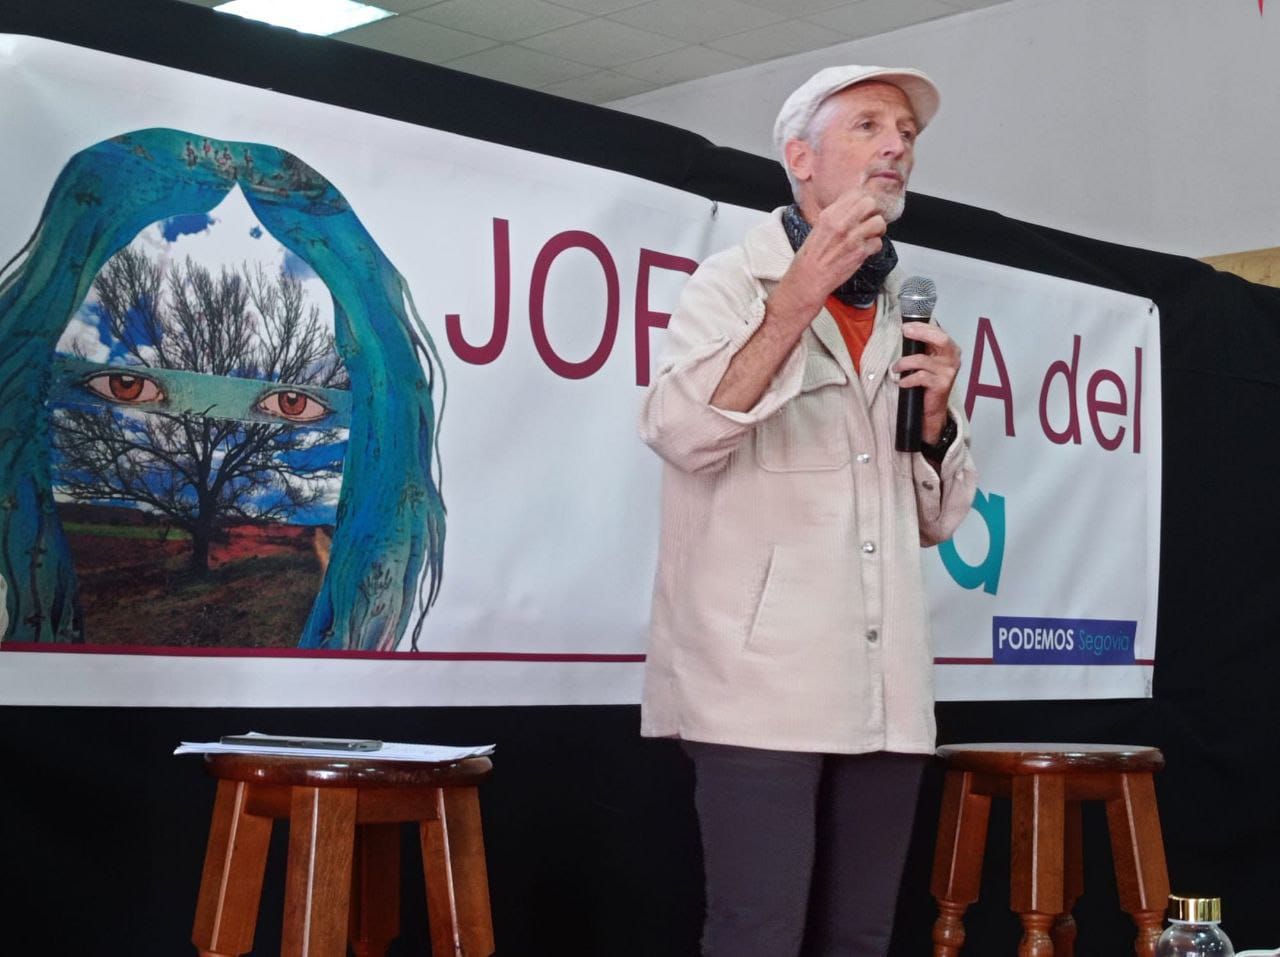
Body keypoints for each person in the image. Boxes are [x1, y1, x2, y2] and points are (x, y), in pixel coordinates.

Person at [639, 64, 978, 956]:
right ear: (801, 157)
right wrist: (792, 301)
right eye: (869, 125)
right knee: (759, 930)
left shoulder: (908, 310)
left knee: (862, 934)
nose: (898, 144)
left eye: (906, 130)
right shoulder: (728, 283)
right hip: (760, 682)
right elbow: (680, 430)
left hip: (886, 682)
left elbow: (939, 520)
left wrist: (936, 419)